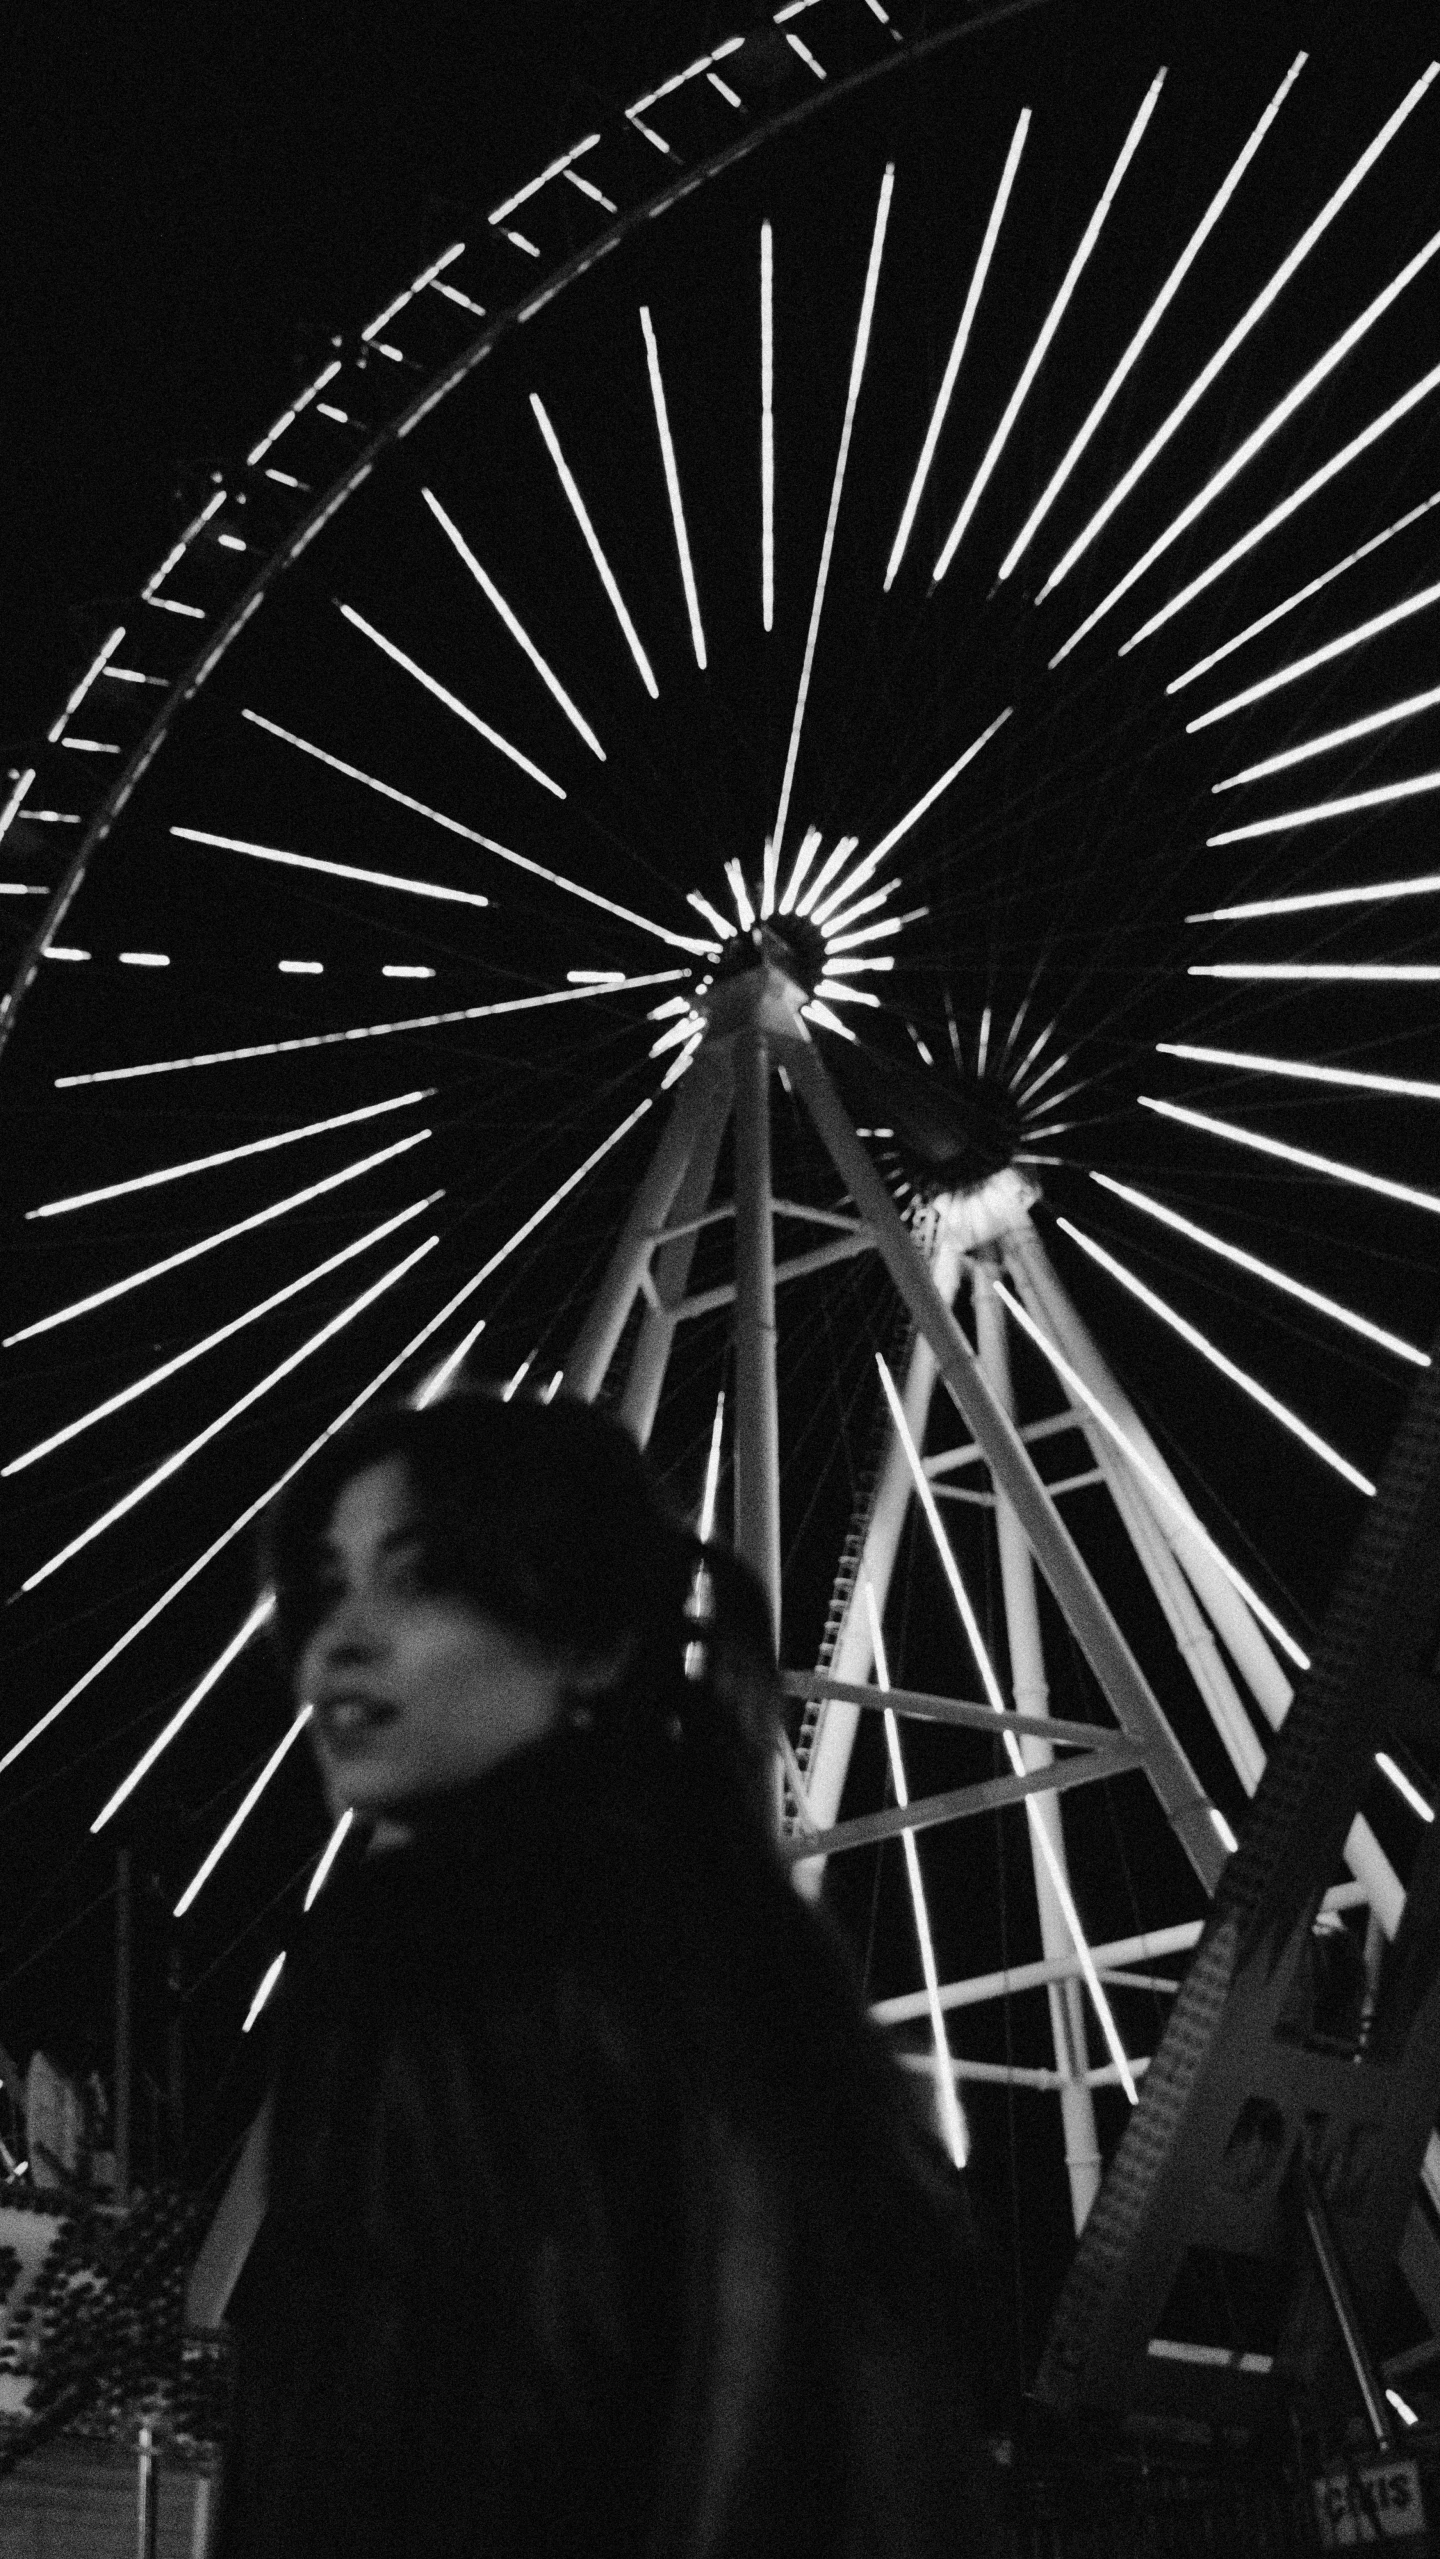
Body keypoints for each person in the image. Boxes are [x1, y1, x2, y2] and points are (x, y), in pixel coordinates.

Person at [215, 1389, 999, 2557]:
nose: (342, 1639)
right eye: (328, 1585)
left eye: (420, 1577)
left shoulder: (446, 1950)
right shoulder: (754, 1956)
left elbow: (403, 2433)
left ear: (593, 1641)